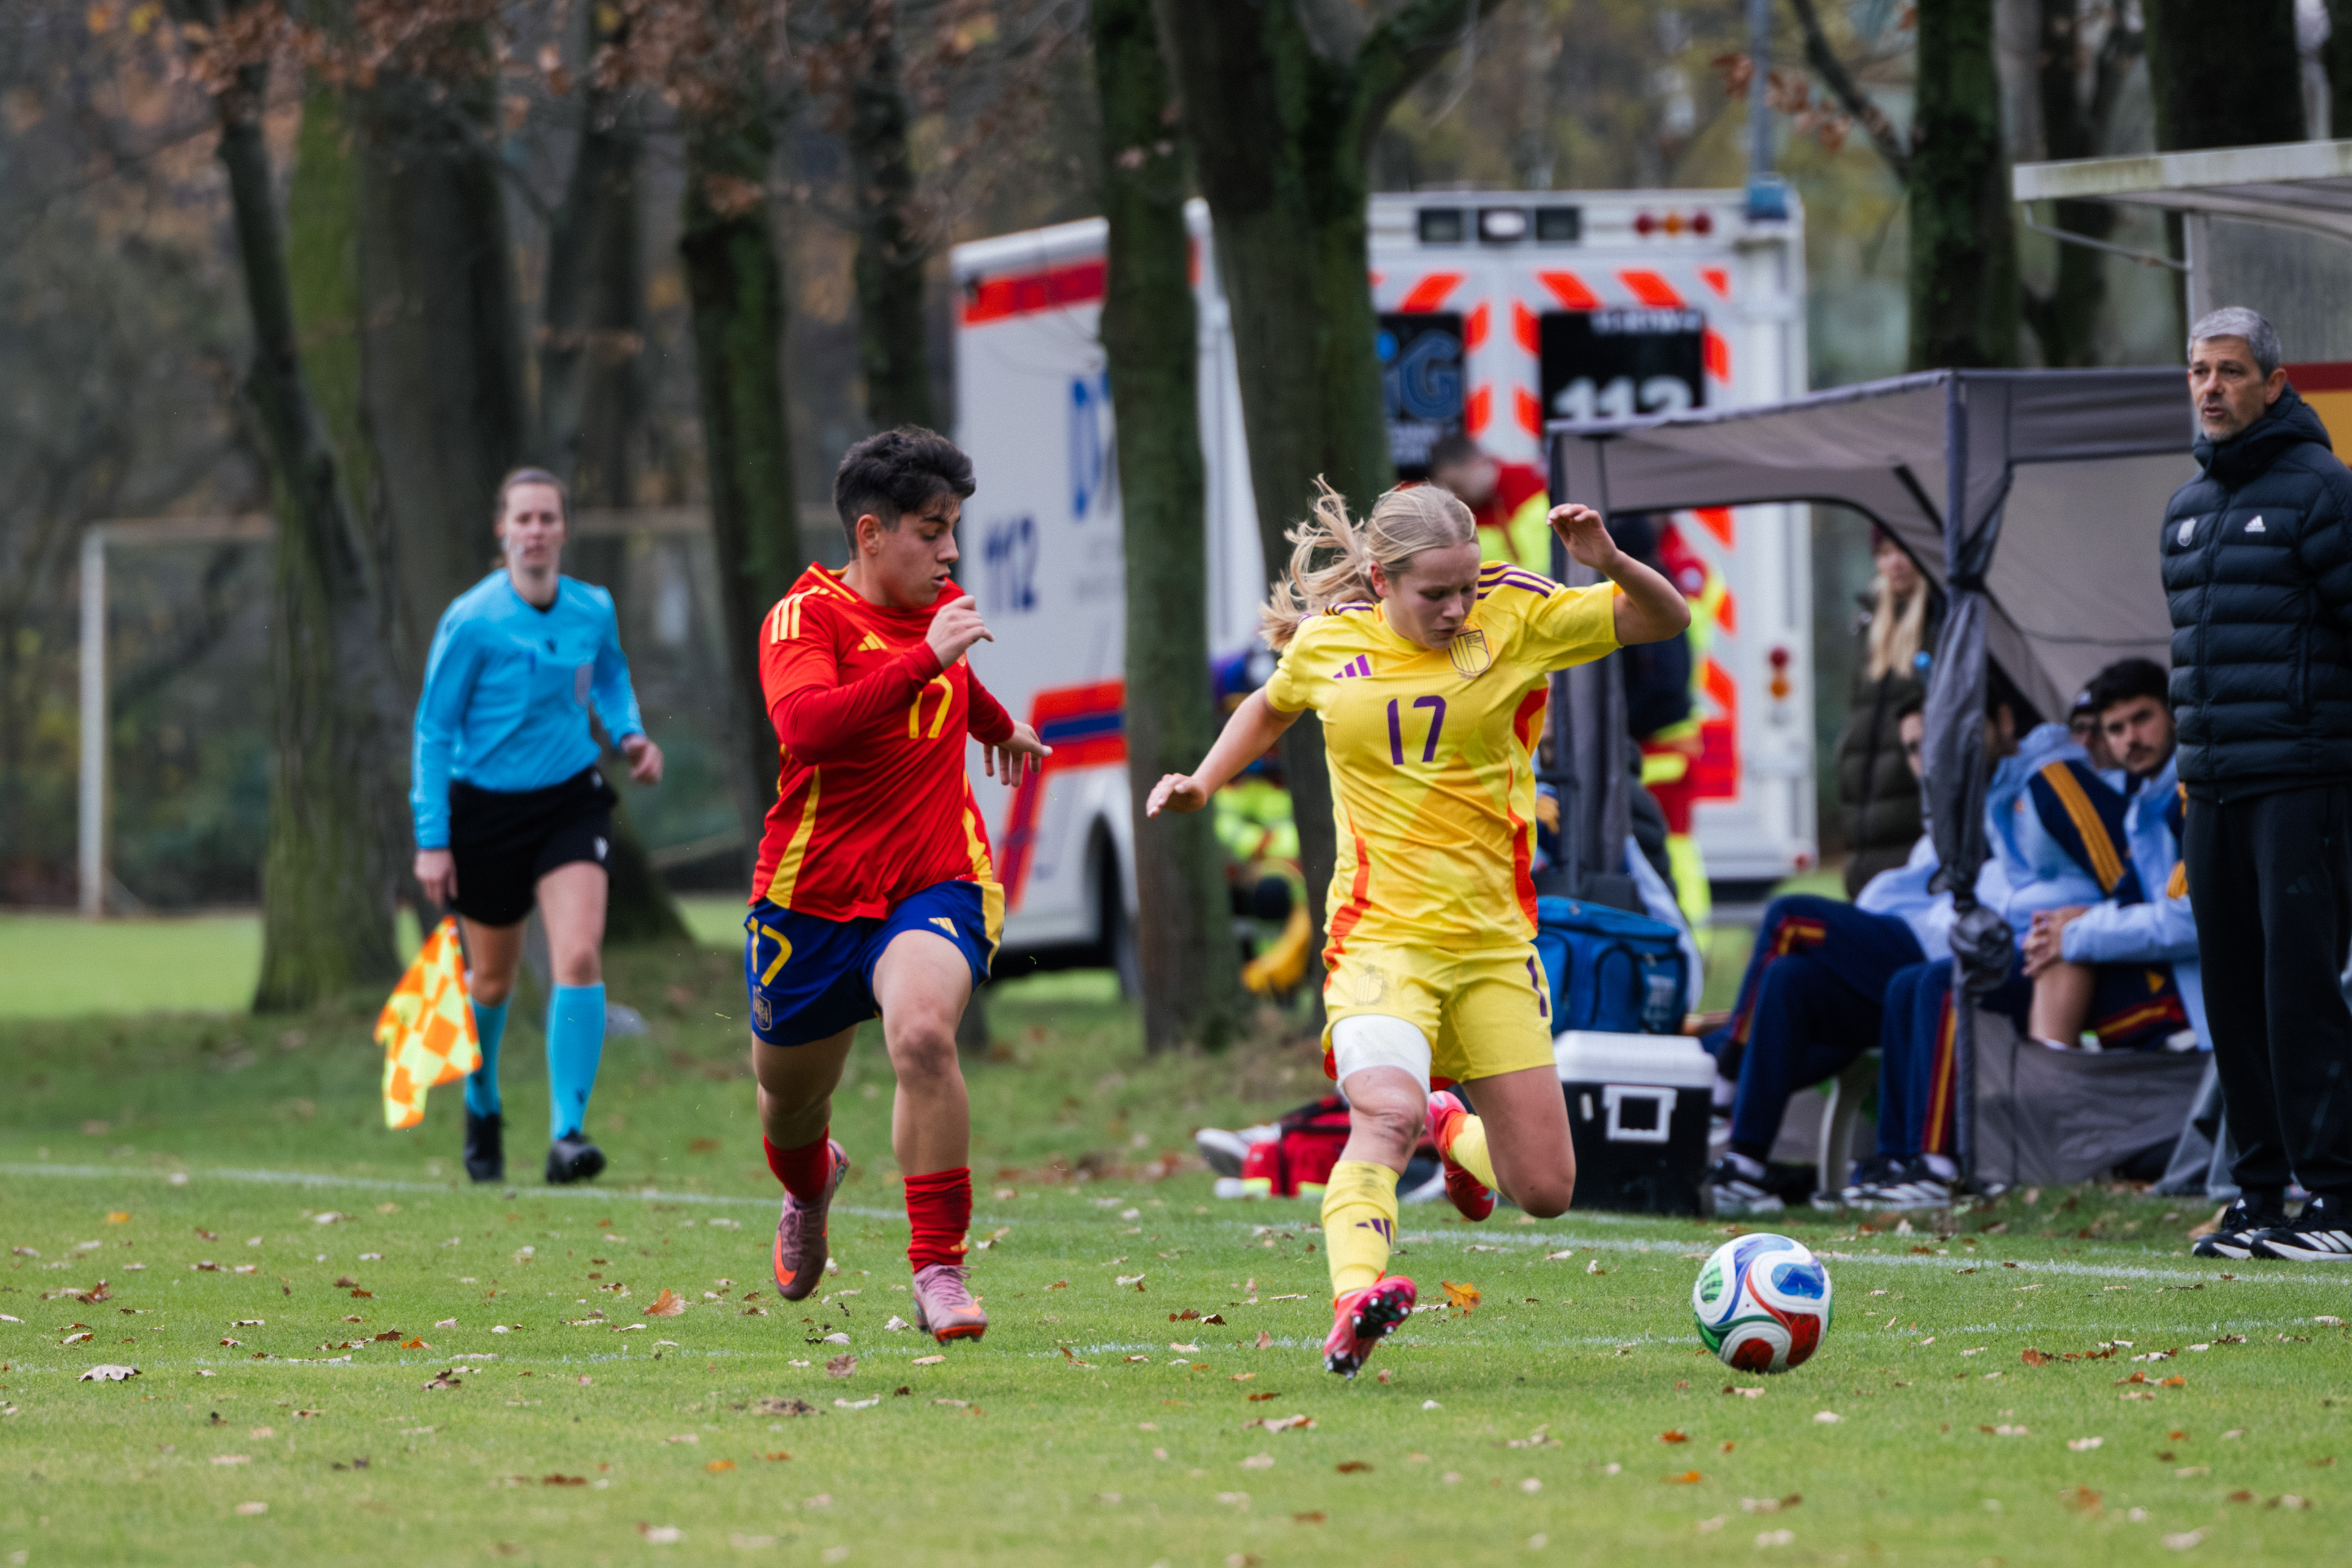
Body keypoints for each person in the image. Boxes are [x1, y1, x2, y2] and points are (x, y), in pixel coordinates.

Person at [1148, 481, 1689, 1377]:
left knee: (1546, 1191)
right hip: (1378, 941)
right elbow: (1271, 705)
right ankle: (1356, 1293)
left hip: (1491, 948)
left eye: (1465, 588)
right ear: (1377, 578)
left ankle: (1457, 1131)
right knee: (1383, 1116)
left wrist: (1609, 563)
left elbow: (1661, 621)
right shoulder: (1331, 644)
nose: (1453, 608)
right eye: (1433, 592)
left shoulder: (1518, 619)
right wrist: (1204, 781)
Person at [742, 428, 1049, 1342]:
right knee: (789, 1103)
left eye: (954, 528)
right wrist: (928, 660)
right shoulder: (805, 619)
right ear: (870, 534)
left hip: (934, 878)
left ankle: (939, 1271)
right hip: (812, 897)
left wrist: (998, 726)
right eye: (932, 530)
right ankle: (810, 1184)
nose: (951, 550)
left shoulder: (938, 604)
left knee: (921, 1036)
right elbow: (807, 727)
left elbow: (950, 681)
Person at [410, 467, 665, 1186]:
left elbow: (609, 677)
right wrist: (433, 838)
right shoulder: (473, 620)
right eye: (523, 518)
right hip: (483, 811)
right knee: (491, 980)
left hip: (569, 801)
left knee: (578, 956)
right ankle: (482, 1099)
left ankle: (566, 1134)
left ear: (563, 529)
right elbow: (433, 730)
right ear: (503, 531)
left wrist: (631, 735)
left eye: (548, 518)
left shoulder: (593, 608)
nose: (536, 531)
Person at [2162, 307, 2352, 1261]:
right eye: (2200, 371)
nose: (2211, 388)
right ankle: (2260, 1194)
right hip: (2214, 793)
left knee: (2299, 992)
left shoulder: (2324, 491)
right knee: (2231, 999)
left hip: (2304, 787)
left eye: (2231, 372)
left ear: (2274, 385)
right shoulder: (2186, 510)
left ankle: (2339, 1198)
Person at [1850, 684, 2190, 1208]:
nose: (1948, 750)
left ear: (2004, 722)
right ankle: (1900, 1157)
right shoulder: (1997, 792)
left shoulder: (2052, 780)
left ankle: (1939, 1164)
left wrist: (2076, 927)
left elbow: (2122, 880)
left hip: (2106, 963)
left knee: (1949, 983)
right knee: (1910, 982)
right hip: (2049, 947)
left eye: (1964, 732)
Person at [1699, 696, 2007, 1216]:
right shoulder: (1937, 822)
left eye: (1931, 743)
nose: (1923, 759)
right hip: (1895, 966)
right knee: (1788, 977)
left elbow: (1992, 897)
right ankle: (1747, 1167)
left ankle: (1723, 1079)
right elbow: (1900, 895)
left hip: (1939, 953)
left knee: (1789, 914)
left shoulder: (1996, 798)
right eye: (1912, 749)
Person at [2021, 658, 2203, 1058]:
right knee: (2056, 938)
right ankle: (2052, 1083)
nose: (2131, 739)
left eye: (2142, 719)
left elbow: (2194, 920)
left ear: (2173, 714)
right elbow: (2129, 902)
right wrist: (2068, 922)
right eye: (2116, 729)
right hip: (2182, 981)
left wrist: (2073, 934)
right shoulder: (2145, 809)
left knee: (2064, 947)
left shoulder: (2198, 793)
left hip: (2221, 999)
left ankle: (2054, 1088)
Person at [1836, 529, 1940, 895]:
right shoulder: (1868, 625)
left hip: (1914, 826)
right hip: (1867, 827)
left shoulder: (1941, 623)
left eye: (1903, 550)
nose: (1892, 563)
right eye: (1883, 553)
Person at [1427, 433, 1552, 571]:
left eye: (1456, 486)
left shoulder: (1539, 484)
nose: (1455, 496)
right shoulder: (1461, 514)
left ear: (1475, 463)